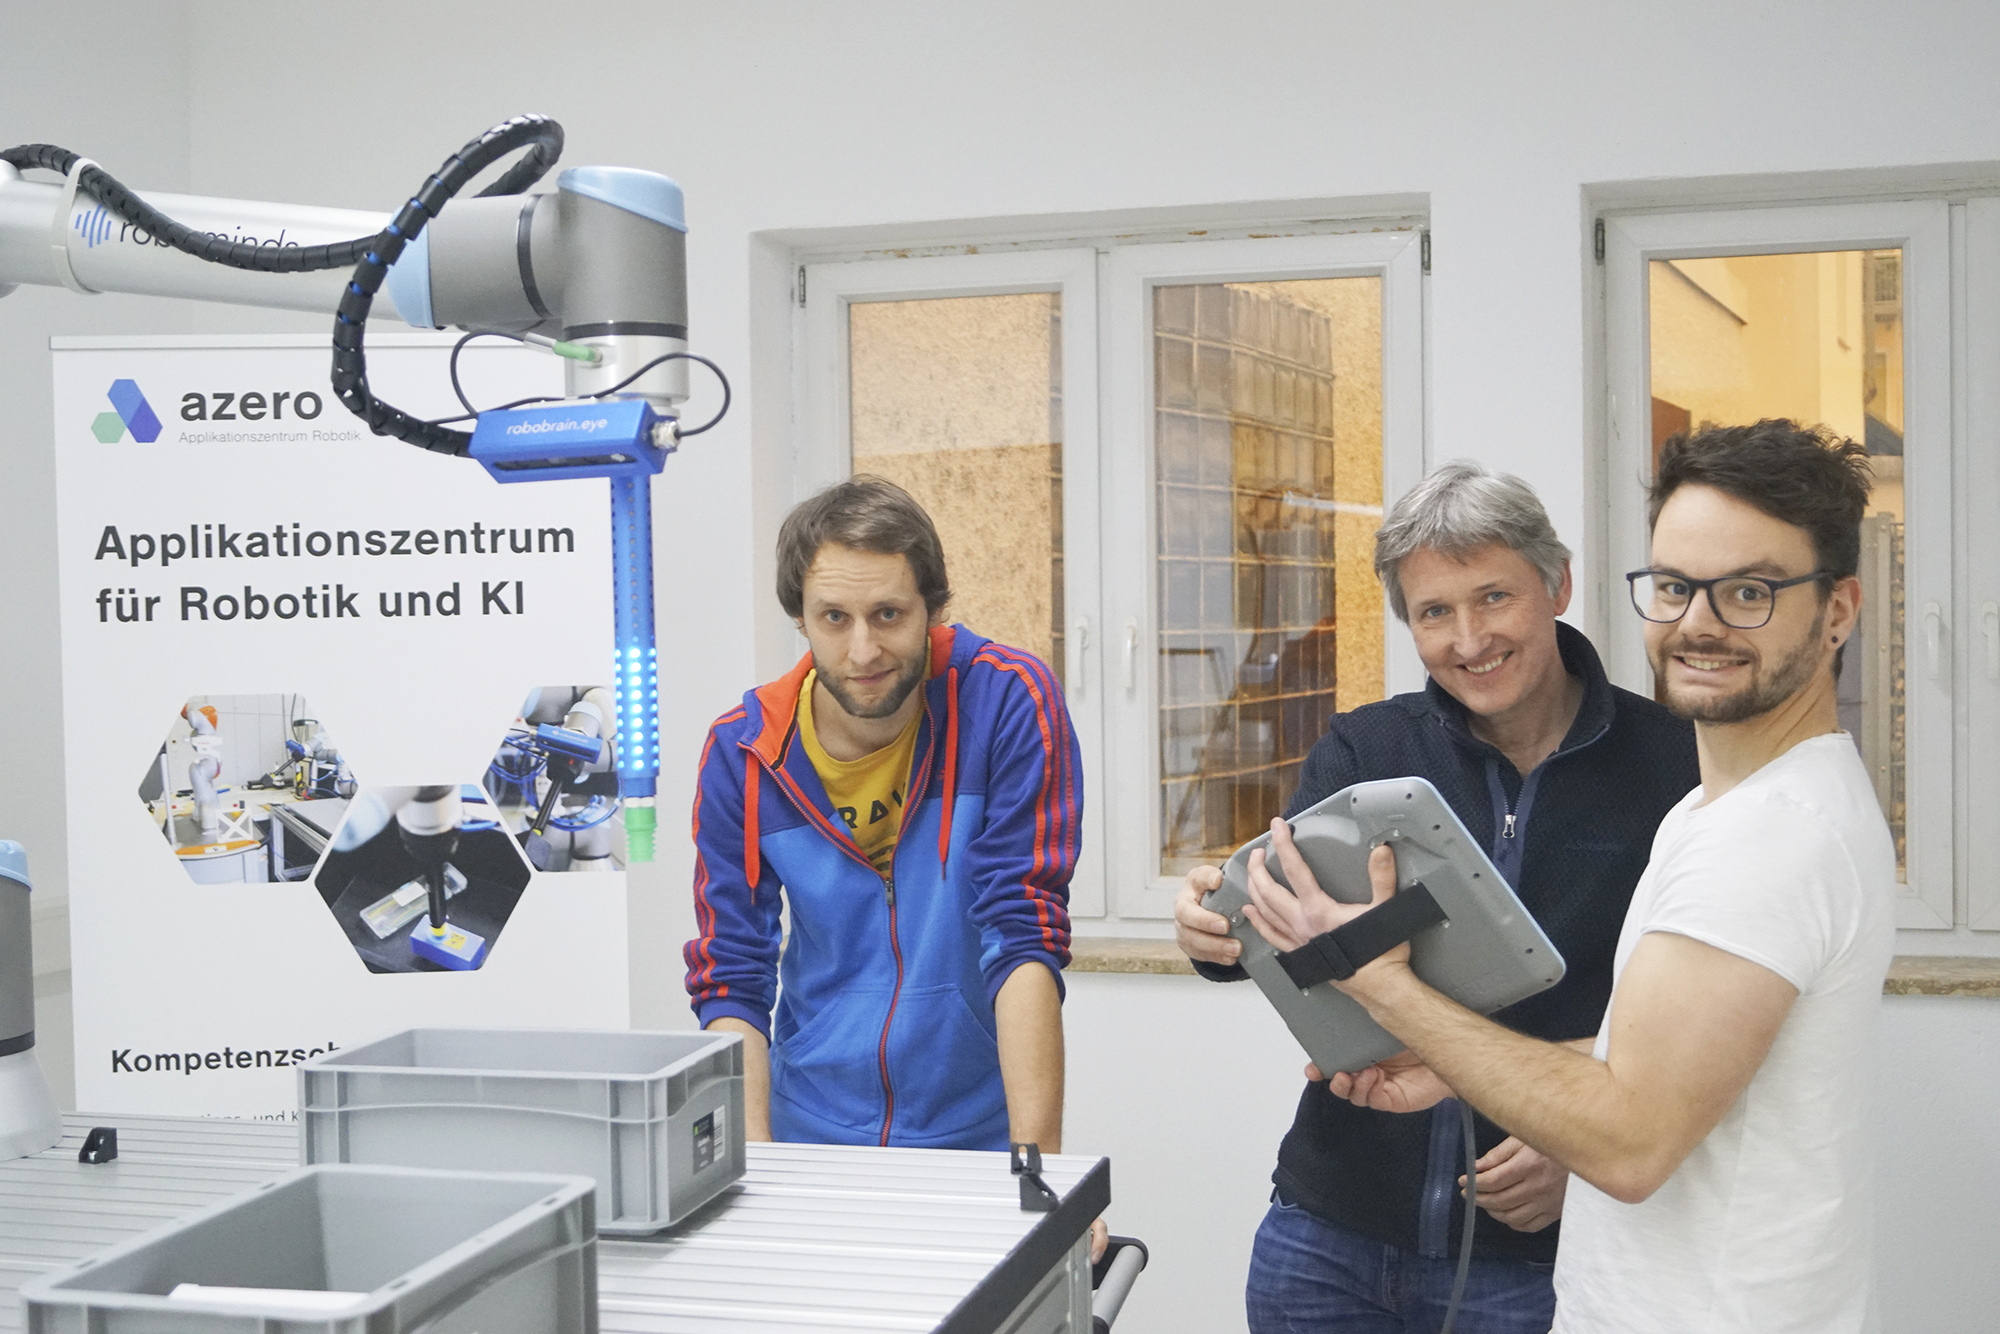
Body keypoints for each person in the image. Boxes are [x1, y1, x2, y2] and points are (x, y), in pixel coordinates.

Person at [1238, 422, 1894, 1333]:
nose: (1698, 623)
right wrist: (1445, 1066)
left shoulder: (1768, 834)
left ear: (1837, 610)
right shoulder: (1722, 809)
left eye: (1749, 592)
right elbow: (1655, 1059)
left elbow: (1627, 1140)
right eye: (1675, 587)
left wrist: (1388, 990)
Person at [1176, 460, 1699, 1333]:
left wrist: (1582, 1148)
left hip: (1533, 1260)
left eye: (1493, 597)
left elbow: (1692, 1032)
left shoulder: (1673, 767)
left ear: (1558, 585)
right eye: (1434, 613)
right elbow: (1283, 936)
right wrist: (1211, 932)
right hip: (1325, 1236)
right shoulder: (1366, 749)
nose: (1468, 639)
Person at [684, 476, 1080, 1155]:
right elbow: (732, 976)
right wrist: (756, 1167)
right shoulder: (745, 751)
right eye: (834, 618)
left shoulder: (1006, 702)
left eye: (889, 614)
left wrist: (1037, 1169)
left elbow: (1023, 933)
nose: (863, 650)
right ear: (801, 619)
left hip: (980, 1134)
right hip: (808, 1130)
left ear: (932, 609)